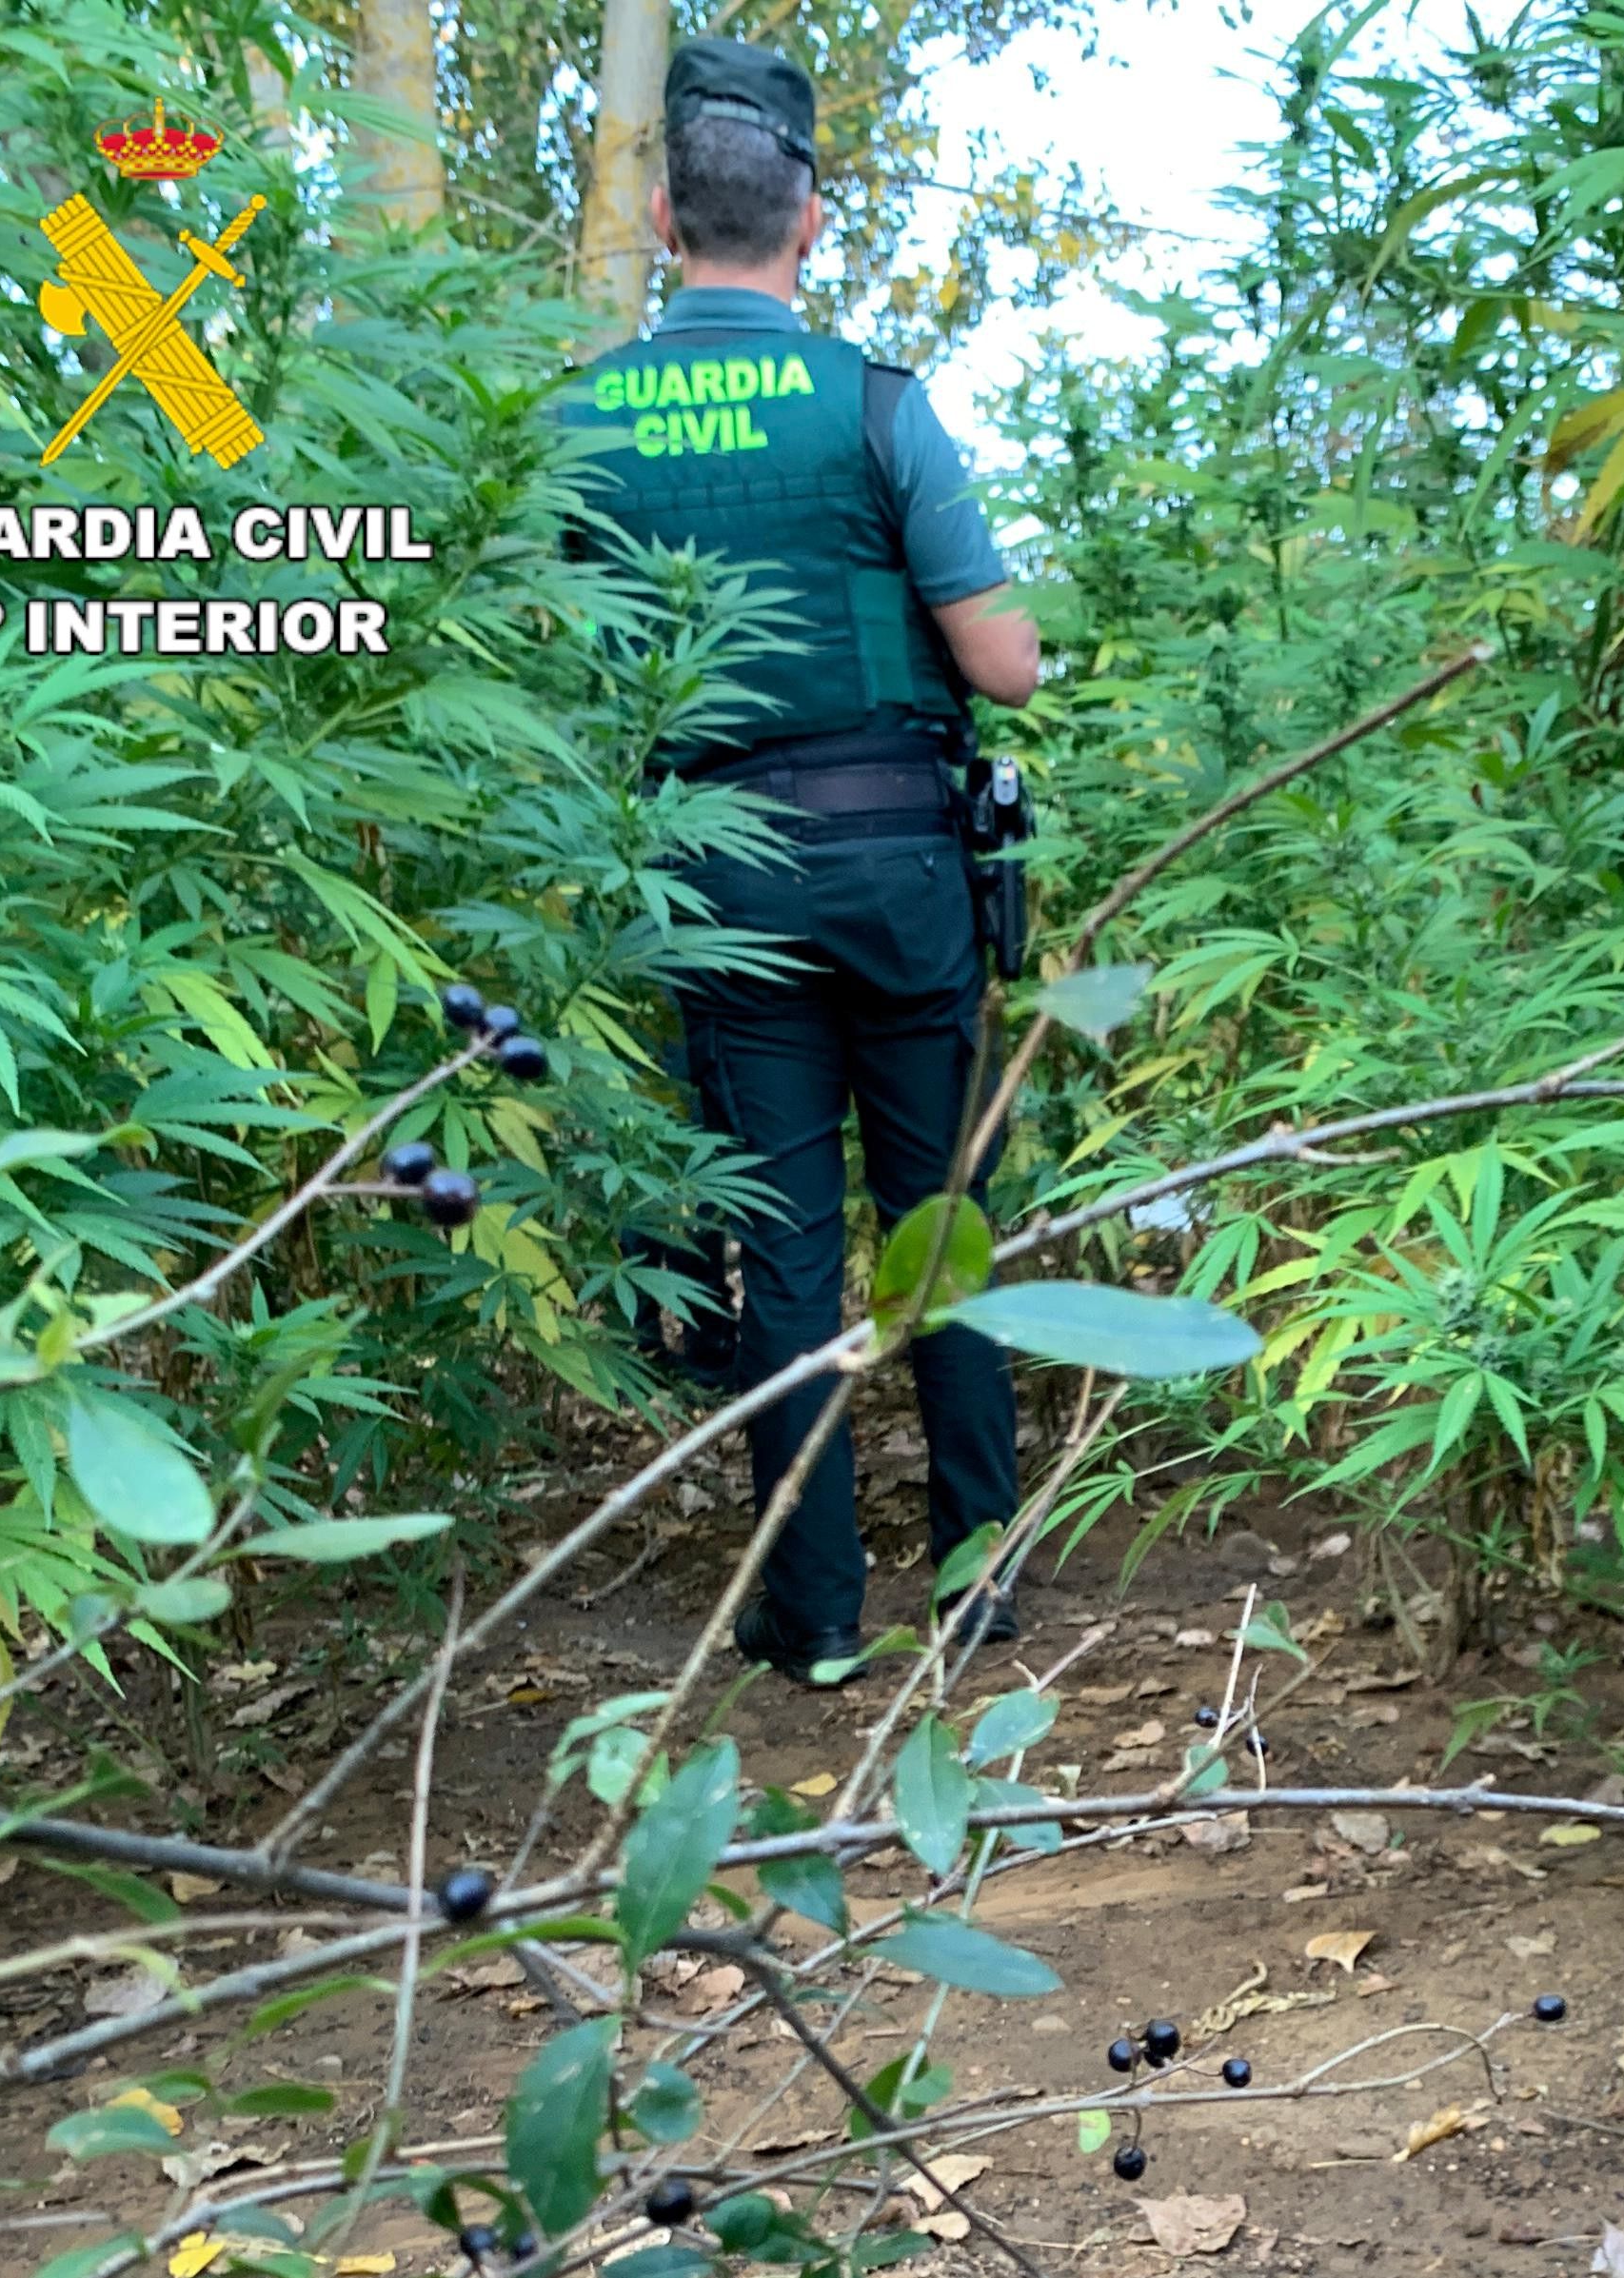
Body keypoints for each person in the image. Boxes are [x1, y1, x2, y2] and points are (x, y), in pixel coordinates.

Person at [564, 38, 1038, 1680]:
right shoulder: (876, 404)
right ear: (811, 219)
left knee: (782, 1246)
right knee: (942, 1225)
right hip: (905, 879)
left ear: (656, 213)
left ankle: (815, 1615)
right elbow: (1003, 667)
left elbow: (546, 671)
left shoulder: (577, 424)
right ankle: (977, 1584)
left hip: (721, 881)